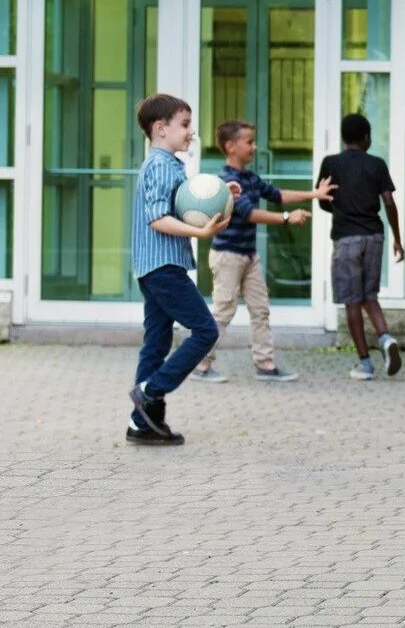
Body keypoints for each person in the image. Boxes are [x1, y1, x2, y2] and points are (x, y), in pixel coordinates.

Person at [126, 93, 234, 447]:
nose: (191, 132)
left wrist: (221, 194)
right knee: (205, 330)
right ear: (160, 129)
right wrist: (200, 233)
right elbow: (158, 218)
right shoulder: (159, 165)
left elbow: (184, 203)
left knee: (156, 341)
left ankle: (142, 424)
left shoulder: (169, 163)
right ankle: (150, 391)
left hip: (157, 265)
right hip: (162, 267)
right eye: (184, 125)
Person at [194, 120, 336, 384]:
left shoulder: (250, 177)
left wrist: (315, 194)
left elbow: (277, 194)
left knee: (261, 309)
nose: (254, 147)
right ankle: (201, 365)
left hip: (248, 256)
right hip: (228, 256)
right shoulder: (227, 181)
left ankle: (265, 365)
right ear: (230, 146)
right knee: (223, 312)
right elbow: (249, 214)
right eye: (248, 142)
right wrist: (286, 218)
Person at [316, 113, 405, 380]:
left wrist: (340, 208)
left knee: (352, 301)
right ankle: (386, 339)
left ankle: (365, 363)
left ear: (344, 138)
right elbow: (389, 202)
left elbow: (322, 199)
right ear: (366, 137)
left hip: (346, 239)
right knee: (369, 296)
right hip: (374, 238)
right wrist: (398, 239)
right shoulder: (377, 164)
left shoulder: (331, 163)